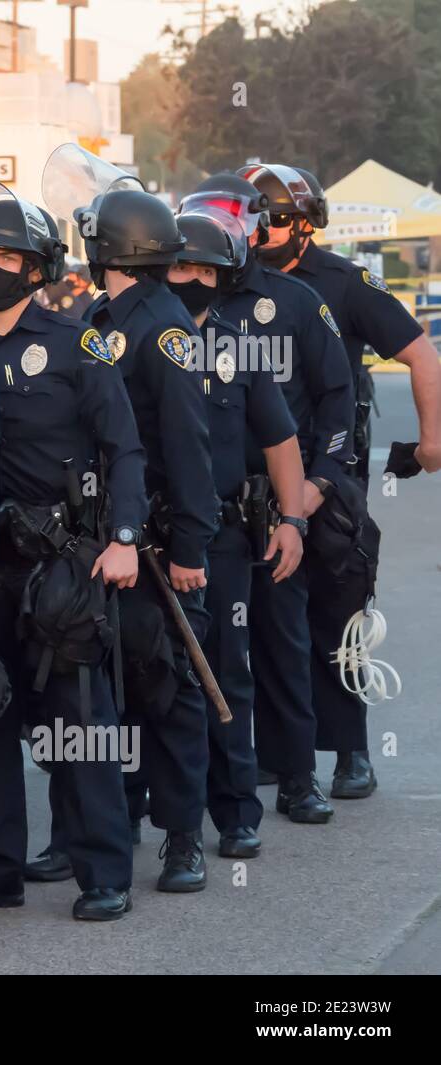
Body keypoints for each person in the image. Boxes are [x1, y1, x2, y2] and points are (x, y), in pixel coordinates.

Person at [0, 182, 145, 921]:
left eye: (6, 255)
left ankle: (102, 874)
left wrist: (124, 538)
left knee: (80, 723)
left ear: (37, 268)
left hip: (62, 561)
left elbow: (124, 448)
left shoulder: (75, 343)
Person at [241, 161, 441, 799]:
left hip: (328, 480)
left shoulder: (344, 282)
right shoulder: (227, 282)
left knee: (338, 620)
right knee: (268, 624)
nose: (256, 232)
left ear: (303, 225)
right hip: (251, 484)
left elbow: (420, 353)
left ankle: (351, 751)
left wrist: (432, 442)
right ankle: (280, 751)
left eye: (268, 221)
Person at [193, 172, 352, 824]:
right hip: (206, 511)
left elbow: (338, 400)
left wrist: (313, 488)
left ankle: (297, 777)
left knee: (283, 644)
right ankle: (196, 786)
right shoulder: (180, 306)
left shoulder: (296, 300)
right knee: (204, 653)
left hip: (281, 506)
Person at [75, 184, 218, 892]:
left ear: (113, 248)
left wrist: (190, 546)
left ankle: (184, 835)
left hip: (159, 542)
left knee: (169, 686)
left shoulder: (164, 328)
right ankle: (117, 818)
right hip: (100, 537)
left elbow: (191, 445)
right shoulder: (100, 315)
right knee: (111, 686)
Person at [168, 206, 307, 858]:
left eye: (201, 267)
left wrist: (294, 519)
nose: (188, 277)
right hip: (147, 539)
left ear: (222, 275)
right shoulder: (128, 337)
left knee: (227, 674)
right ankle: (164, 820)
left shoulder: (240, 348)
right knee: (148, 679)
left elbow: (280, 439)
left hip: (224, 538)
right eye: (178, 264)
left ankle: (236, 812)